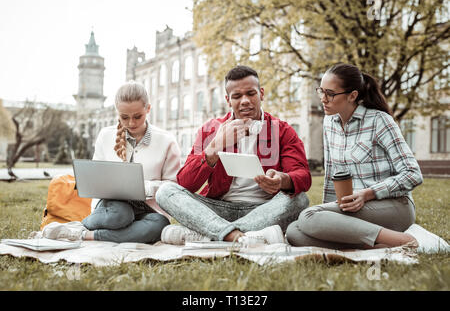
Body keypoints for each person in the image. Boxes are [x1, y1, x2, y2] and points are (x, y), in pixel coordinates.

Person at [155, 65, 311, 245]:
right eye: (237, 96)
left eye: (251, 94)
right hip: (219, 208)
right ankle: (238, 236)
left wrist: (283, 180)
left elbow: (303, 176)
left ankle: (212, 234)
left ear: (261, 93)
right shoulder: (210, 129)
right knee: (165, 191)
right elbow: (186, 183)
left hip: (265, 209)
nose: (244, 101)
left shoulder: (283, 130)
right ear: (228, 100)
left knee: (299, 199)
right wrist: (215, 146)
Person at [285, 62, 425, 250]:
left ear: (352, 96)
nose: (323, 99)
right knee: (295, 231)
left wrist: (367, 194)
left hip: (392, 205)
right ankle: (373, 247)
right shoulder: (329, 122)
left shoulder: (379, 121)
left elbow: (412, 173)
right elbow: (332, 173)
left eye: (330, 94)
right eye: (321, 91)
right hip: (353, 208)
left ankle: (402, 240)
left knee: (308, 217)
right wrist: (328, 214)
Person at [42, 81, 181, 243]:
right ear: (117, 112)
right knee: (121, 215)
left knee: (160, 225)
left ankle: (83, 233)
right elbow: (96, 176)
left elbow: (174, 187)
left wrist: (147, 187)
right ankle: (108, 230)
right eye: (124, 117)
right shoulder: (105, 135)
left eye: (137, 116)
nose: (131, 123)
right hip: (113, 207)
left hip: (149, 209)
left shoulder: (166, 141)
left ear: (148, 109)